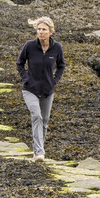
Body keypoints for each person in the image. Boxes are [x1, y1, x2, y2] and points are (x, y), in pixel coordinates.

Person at [16, 15, 64, 159]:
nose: (41, 32)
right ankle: (39, 152)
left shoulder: (57, 48)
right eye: (39, 29)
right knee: (36, 116)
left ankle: (38, 149)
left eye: (44, 29)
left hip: (48, 91)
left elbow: (61, 66)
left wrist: (54, 81)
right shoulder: (29, 46)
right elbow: (20, 63)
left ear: (51, 31)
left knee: (44, 121)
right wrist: (26, 79)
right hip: (30, 89)